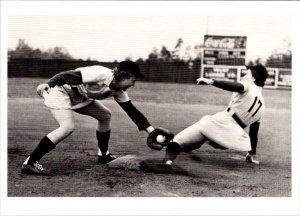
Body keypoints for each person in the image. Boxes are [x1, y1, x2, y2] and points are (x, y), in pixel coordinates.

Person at [21, 61, 156, 175]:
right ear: (124, 76)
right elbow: (64, 76)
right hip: (59, 91)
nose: (133, 84)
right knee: (67, 127)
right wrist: (48, 84)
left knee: (105, 116)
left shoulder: (119, 91)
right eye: (133, 80)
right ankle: (31, 162)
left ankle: (103, 155)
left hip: (79, 97)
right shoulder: (99, 74)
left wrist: (152, 132)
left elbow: (133, 112)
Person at [163, 64, 268, 166]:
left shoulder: (248, 86)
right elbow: (254, 133)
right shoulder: (262, 105)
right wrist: (251, 153)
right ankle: (188, 145)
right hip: (231, 140)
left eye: (247, 74)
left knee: (180, 139)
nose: (243, 76)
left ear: (254, 78)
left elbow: (236, 86)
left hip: (221, 123)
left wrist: (212, 82)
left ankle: (167, 161)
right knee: (202, 136)